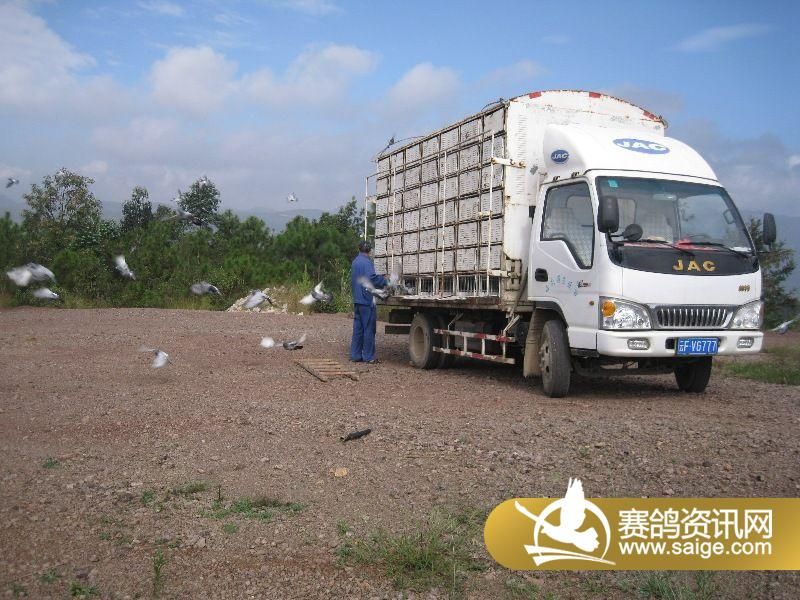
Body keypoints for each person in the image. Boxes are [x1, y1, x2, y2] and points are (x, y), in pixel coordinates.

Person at [350, 240, 388, 363]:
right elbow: (372, 278)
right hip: (366, 300)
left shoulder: (355, 262)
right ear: (370, 251)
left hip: (357, 299)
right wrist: (385, 281)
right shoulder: (367, 263)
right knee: (369, 329)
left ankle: (355, 356)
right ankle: (368, 357)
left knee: (358, 329)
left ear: (359, 249)